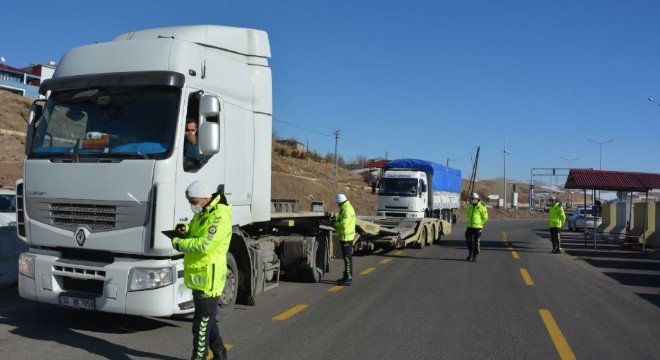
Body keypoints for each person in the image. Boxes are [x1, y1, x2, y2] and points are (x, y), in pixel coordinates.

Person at [171, 180, 231, 360]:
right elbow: (195, 231)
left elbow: (206, 244)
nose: (192, 206)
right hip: (200, 277)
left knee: (200, 326)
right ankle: (220, 355)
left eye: (194, 202)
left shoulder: (218, 216)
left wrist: (179, 243)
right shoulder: (204, 212)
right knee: (208, 322)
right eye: (190, 202)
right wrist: (184, 230)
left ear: (205, 198)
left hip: (209, 280)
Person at [334, 193, 356, 286]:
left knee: (347, 258)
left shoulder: (346, 210)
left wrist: (334, 225)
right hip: (346, 237)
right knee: (347, 258)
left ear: (340, 203)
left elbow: (343, 224)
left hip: (346, 238)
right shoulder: (346, 208)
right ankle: (346, 276)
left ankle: (348, 278)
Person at [465, 192, 488, 262]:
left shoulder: (482, 206)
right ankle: (470, 253)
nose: (471, 200)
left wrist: (480, 224)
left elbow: (485, 217)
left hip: (477, 228)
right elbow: (467, 214)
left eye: (472, 199)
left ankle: (475, 255)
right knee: (468, 240)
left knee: (476, 242)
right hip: (469, 227)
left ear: (476, 199)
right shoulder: (470, 206)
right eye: (470, 198)